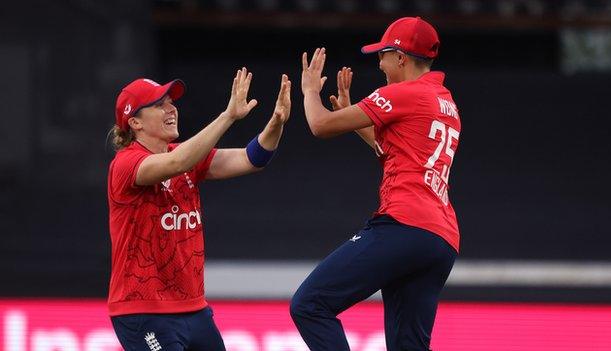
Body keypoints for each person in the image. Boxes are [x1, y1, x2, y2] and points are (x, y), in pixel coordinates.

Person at [290, 17, 460, 351]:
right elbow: (396, 149)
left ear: (400, 57)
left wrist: (310, 91)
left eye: (382, 54)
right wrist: (356, 118)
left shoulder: (402, 93)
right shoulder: (445, 102)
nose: (379, 63)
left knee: (310, 305)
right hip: (440, 239)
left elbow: (320, 125)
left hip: (404, 224)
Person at [107, 68, 291, 351]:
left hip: (194, 311)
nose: (171, 109)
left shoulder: (186, 157)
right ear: (135, 123)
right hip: (144, 311)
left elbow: (252, 158)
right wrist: (228, 115)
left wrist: (276, 123)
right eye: (159, 105)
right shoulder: (126, 164)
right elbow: (175, 163)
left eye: (171, 102)